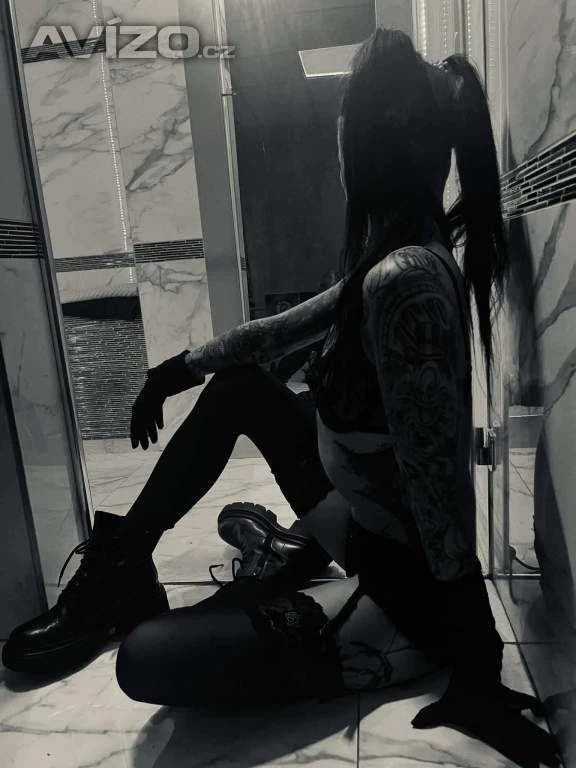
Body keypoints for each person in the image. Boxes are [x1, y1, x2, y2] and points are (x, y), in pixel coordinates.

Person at [3, 29, 558, 767]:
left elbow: (438, 489)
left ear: (367, 147)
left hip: (406, 598)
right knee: (241, 389)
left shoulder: (405, 282)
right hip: (365, 528)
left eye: (342, 130)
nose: (336, 150)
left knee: (146, 659)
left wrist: (479, 667)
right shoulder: (393, 264)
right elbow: (276, 332)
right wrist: (174, 370)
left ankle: (280, 560)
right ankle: (126, 567)